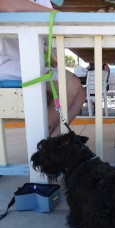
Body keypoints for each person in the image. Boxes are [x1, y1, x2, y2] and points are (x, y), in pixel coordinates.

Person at [0, 0, 86, 137]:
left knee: (81, 94)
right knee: (71, 85)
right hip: (7, 64)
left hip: (29, 63)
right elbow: (10, 5)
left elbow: (50, 32)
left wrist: (53, 55)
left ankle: (52, 142)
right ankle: (41, 144)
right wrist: (56, 14)